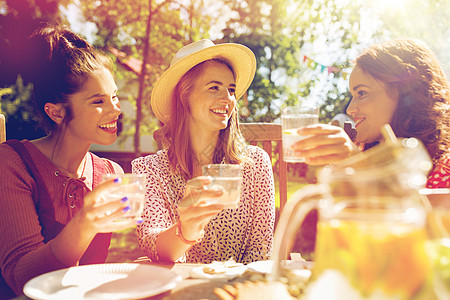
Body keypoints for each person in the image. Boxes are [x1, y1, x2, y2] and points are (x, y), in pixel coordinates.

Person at [0, 24, 136, 297]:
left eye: (114, 97)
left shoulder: (110, 172)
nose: (115, 109)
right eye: (98, 101)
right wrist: (85, 223)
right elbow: (22, 280)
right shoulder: (12, 162)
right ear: (57, 112)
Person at [132, 39, 275, 264]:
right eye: (214, 87)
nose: (228, 98)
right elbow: (152, 244)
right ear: (184, 95)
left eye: (231, 89)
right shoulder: (150, 170)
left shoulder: (255, 164)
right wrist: (186, 229)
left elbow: (261, 250)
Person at [292, 39, 450, 188]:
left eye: (361, 93)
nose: (350, 109)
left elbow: (422, 212)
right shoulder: (359, 157)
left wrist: (360, 164)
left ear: (406, 91)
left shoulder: (446, 167)